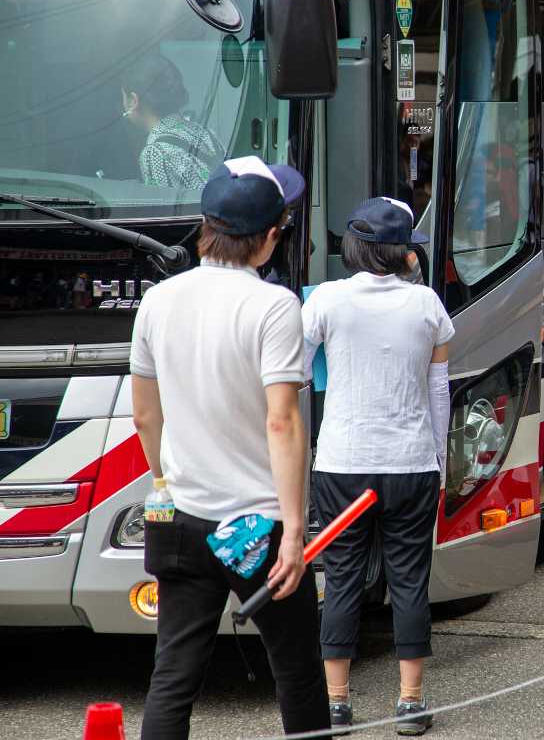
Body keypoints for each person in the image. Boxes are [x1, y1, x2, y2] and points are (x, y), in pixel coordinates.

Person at [131, 156, 330, 738]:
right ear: (270, 238)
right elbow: (282, 421)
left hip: (181, 518)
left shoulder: (158, 300)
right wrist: (295, 529)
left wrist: (165, 484)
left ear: (204, 228)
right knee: (296, 670)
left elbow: (146, 415)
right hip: (256, 526)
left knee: (173, 675)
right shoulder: (273, 306)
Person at [302, 197, 452, 734]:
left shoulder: (327, 300)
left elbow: (294, 369)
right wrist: (438, 459)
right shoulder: (428, 304)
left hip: (342, 462)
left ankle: (337, 703)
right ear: (403, 250)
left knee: (341, 578)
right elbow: (440, 392)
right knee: (410, 580)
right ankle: (410, 703)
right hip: (411, 463)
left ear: (355, 245)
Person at [122, 56, 224, 189]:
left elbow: (166, 209)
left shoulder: (154, 153)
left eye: (123, 97)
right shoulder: (205, 132)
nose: (123, 104)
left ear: (133, 101)